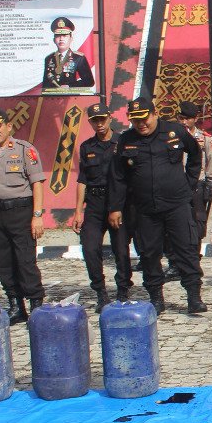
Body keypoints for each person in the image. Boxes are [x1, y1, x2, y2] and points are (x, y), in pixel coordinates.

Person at [108, 97, 207, 316]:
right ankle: (156, 297)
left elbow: (195, 154)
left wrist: (189, 185)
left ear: (154, 114)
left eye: (144, 119)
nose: (141, 124)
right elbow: (118, 176)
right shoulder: (126, 139)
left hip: (176, 204)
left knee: (186, 249)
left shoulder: (174, 131)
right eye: (135, 121)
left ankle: (193, 296)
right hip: (145, 208)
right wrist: (115, 207)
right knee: (149, 253)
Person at [0, 107, 47, 325]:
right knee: (2, 261)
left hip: (21, 212)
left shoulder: (25, 150)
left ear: (9, 126)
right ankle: (16, 305)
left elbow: (37, 183)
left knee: (25, 260)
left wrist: (37, 215)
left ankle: (36, 304)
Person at [68, 103, 133, 312]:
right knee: (90, 247)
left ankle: (123, 288)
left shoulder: (122, 142)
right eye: (94, 120)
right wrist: (78, 211)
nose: (99, 124)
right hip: (95, 202)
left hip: (118, 201)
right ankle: (100, 293)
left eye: (102, 119)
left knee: (121, 249)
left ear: (110, 118)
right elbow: (82, 180)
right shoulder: (87, 147)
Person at [177, 101, 212, 248]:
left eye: (187, 118)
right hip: (177, 183)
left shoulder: (204, 138)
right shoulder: (172, 136)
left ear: (195, 118)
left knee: (198, 220)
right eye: (181, 118)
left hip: (196, 184)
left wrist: (210, 182)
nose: (184, 122)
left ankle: (195, 251)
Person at [42, 17, 95, 92]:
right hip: (53, 97)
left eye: (65, 36)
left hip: (71, 98)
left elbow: (89, 82)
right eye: (58, 36)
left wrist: (70, 86)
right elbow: (45, 84)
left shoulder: (78, 58)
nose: (61, 39)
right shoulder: (49, 59)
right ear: (54, 40)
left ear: (71, 39)